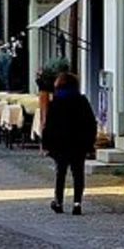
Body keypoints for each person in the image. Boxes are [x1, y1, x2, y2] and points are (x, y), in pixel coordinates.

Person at [41, 72, 98, 215]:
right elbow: (91, 123)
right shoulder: (82, 101)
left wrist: (46, 144)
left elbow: (49, 125)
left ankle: (59, 202)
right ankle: (77, 204)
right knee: (78, 174)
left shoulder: (56, 102)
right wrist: (90, 143)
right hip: (79, 143)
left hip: (60, 144)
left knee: (60, 173)